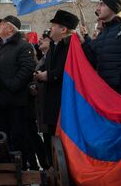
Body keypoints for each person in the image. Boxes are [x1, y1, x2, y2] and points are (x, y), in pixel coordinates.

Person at [0, 15, 48, 171]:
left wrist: (11, 86)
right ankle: (6, 169)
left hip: (16, 101)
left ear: (10, 28)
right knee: (2, 137)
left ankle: (22, 169)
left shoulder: (23, 46)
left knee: (18, 137)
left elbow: (26, 69)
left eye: (1, 24)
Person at [34, 10, 79, 166]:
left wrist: (49, 75)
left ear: (63, 29)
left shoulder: (72, 45)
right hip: (51, 103)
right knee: (51, 140)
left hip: (64, 103)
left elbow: (68, 69)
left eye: (53, 25)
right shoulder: (55, 46)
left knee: (62, 145)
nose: (50, 29)